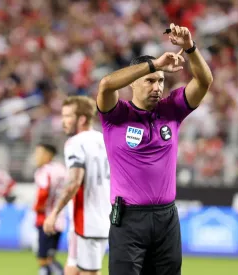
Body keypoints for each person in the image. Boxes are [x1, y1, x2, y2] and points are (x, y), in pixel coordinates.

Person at [96, 23, 213, 275]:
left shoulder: (171, 110)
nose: (157, 87)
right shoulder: (116, 115)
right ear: (133, 83)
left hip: (166, 219)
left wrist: (190, 48)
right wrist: (155, 64)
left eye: (160, 81)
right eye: (150, 80)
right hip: (128, 220)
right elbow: (106, 84)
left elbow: (205, 81)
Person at [43, 96, 111, 275]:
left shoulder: (75, 143)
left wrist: (54, 213)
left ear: (81, 119)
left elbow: (74, 182)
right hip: (101, 217)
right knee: (71, 269)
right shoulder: (105, 140)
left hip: (87, 221)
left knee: (90, 272)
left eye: (67, 116)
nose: (63, 121)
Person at [32, 143, 67, 275]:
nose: (36, 157)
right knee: (51, 257)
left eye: (38, 153)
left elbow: (43, 192)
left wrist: (37, 207)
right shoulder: (61, 169)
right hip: (59, 219)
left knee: (43, 259)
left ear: (47, 155)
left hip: (45, 219)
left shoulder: (43, 171)